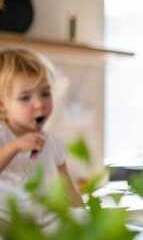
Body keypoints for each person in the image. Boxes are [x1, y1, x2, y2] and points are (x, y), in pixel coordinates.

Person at [0, 49, 82, 212]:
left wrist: (85, 220)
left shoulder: (53, 144)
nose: (39, 104)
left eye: (45, 93)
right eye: (25, 97)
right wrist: (14, 147)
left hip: (39, 220)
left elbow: (68, 189)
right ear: (2, 105)